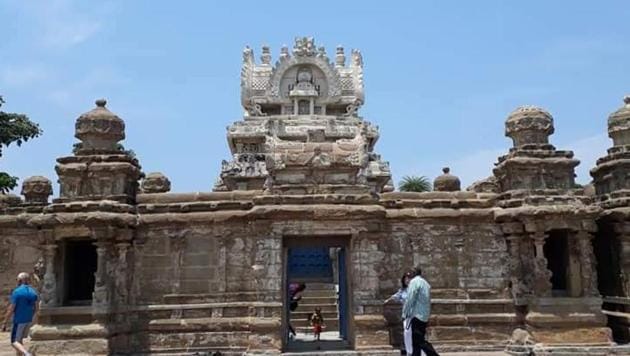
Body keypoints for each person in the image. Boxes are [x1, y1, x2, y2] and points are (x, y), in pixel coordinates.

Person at [402, 266, 439, 356]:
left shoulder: (414, 282)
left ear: (414, 274)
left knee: (419, 340)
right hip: (424, 315)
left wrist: (405, 313)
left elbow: (410, 298)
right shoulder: (425, 283)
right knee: (416, 341)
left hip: (416, 315)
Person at [2, 272, 38, 356]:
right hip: (28, 320)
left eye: (17, 280)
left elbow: (11, 308)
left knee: (14, 341)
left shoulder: (17, 292)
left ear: (20, 280)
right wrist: (32, 318)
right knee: (19, 341)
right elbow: (36, 308)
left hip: (19, 320)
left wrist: (4, 322)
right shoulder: (33, 292)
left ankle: (27, 354)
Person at [386, 271, 414, 355]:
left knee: (413, 333)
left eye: (409, 278)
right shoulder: (402, 290)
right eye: (406, 278)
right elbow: (396, 296)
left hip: (415, 314)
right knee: (406, 332)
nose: (407, 280)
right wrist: (387, 301)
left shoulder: (415, 290)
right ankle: (407, 350)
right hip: (406, 315)